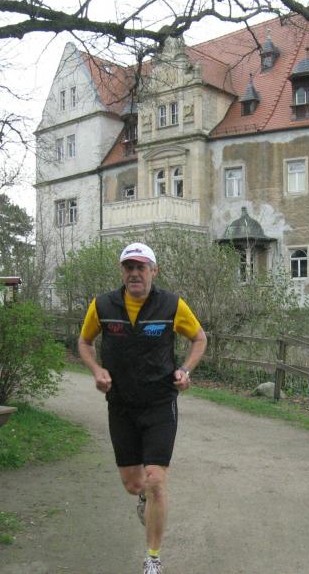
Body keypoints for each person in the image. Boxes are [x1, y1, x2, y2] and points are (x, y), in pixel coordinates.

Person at [78, 241, 207, 574]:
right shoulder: (102, 305)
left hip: (160, 404)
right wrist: (96, 370)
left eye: (141, 267)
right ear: (122, 271)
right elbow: (84, 341)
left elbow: (199, 338)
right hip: (121, 405)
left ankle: (153, 558)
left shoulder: (172, 305)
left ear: (154, 271)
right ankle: (143, 499)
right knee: (135, 485)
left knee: (155, 481)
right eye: (129, 267)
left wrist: (185, 370)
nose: (134, 273)